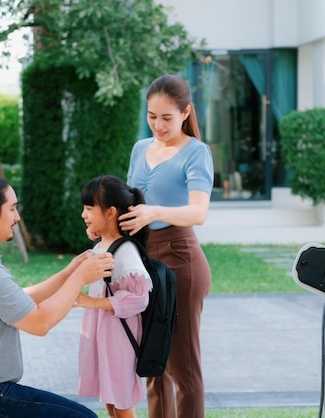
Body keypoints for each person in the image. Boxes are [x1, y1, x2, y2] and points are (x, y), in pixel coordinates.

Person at [0, 174, 114, 418]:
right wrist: (79, 279)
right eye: (12, 209)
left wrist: (68, 273)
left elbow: (16, 300)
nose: (17, 217)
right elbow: (40, 323)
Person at [119, 74, 214, 418]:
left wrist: (154, 212)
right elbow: (131, 206)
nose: (158, 125)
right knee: (152, 365)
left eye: (167, 118)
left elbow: (199, 212)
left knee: (183, 370)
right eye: (151, 116)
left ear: (186, 112)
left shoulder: (196, 153)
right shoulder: (140, 149)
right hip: (143, 260)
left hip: (181, 261)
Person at [75, 175, 152, 418]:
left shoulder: (126, 251)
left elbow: (140, 297)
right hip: (104, 331)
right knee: (110, 397)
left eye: (89, 208)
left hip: (118, 335)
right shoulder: (105, 244)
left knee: (121, 398)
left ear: (110, 213)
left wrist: (92, 302)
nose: (83, 214)